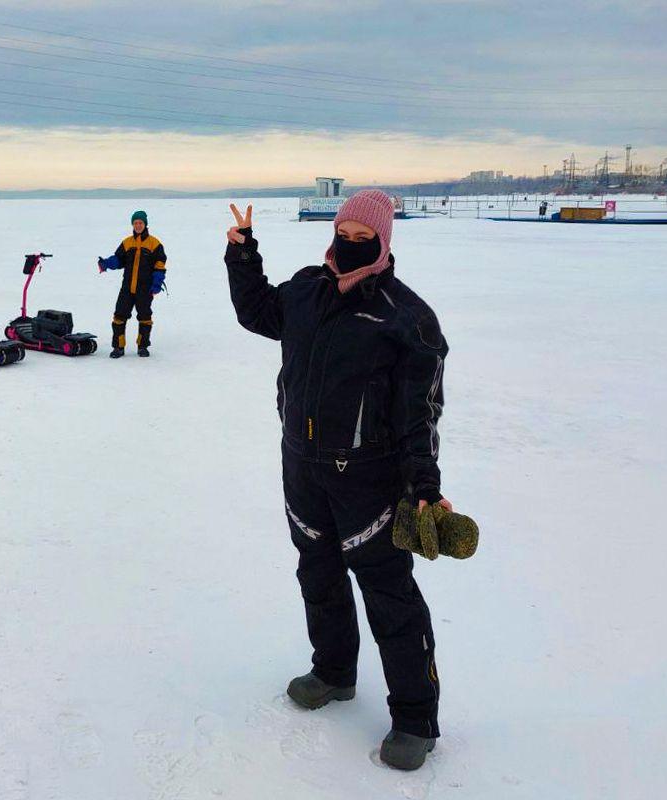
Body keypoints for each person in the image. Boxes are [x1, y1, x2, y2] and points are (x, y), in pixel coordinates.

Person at [223, 191, 454, 771]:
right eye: (343, 232)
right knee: (317, 574)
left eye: (362, 236)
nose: (350, 244)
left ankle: (415, 718)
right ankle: (333, 671)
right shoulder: (306, 289)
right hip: (302, 468)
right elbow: (258, 313)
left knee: (389, 596)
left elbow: (419, 415)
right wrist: (243, 257)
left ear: (383, 240)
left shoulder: (407, 318)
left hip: (370, 484)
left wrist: (423, 486)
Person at [97, 210, 167, 358]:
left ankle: (142, 346)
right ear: (132, 225)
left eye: (140, 223)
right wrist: (106, 263)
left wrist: (156, 284)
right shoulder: (127, 242)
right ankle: (118, 347)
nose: (138, 225)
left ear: (145, 224)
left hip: (145, 288)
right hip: (127, 287)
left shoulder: (155, 244)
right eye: (135, 223)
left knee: (145, 317)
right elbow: (118, 259)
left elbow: (160, 266)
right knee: (119, 316)